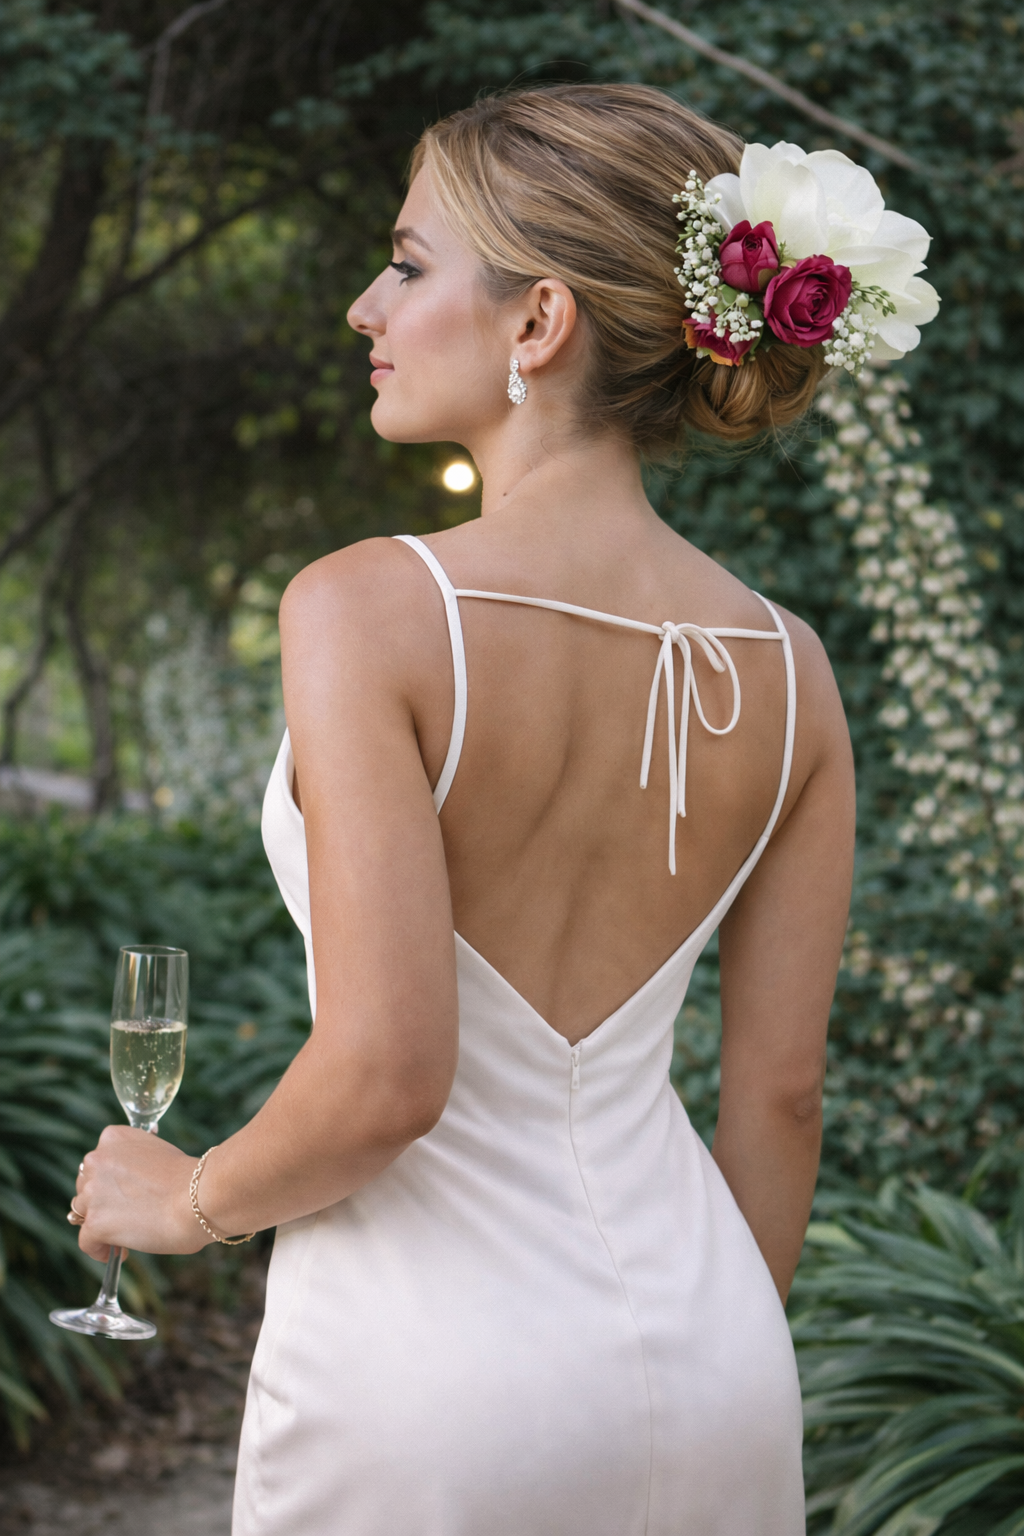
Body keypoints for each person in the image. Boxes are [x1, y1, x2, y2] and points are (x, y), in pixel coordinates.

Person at [74, 83, 857, 1534]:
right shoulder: (792, 669)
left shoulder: (369, 607)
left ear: (539, 321)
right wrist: (700, 1359)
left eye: (407, 263)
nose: (366, 307)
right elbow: (781, 1097)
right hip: (716, 1354)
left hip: (428, 1379)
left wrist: (182, 1203)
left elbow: (389, 1075)